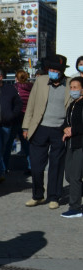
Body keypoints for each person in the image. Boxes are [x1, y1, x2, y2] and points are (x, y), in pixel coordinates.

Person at [23, 55, 72, 209]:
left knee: (56, 165)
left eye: (56, 70)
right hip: (40, 128)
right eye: (51, 69)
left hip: (60, 129)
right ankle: (37, 195)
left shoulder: (70, 84)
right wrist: (26, 127)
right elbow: (31, 104)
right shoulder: (40, 81)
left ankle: (54, 197)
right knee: (36, 166)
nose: (53, 72)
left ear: (62, 71)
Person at [61, 77, 83, 217]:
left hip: (80, 144)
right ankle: (77, 193)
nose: (73, 90)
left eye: (76, 87)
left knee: (75, 176)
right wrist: (65, 129)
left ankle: (75, 208)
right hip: (70, 144)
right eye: (71, 87)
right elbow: (66, 121)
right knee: (69, 175)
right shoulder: (72, 104)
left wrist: (73, 130)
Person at [14, 70, 34, 175]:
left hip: (17, 116)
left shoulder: (15, 88)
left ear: (16, 78)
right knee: (27, 144)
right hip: (29, 117)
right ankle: (31, 166)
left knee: (7, 144)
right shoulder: (32, 87)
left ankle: (3, 168)